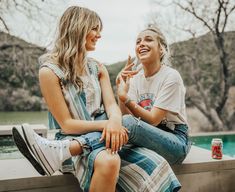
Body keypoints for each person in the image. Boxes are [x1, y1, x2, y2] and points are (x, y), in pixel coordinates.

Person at [12, 7, 181, 192]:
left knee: (153, 161)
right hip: (73, 136)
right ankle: (62, 150)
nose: (99, 35)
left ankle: (60, 151)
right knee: (110, 161)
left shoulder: (98, 68)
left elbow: (111, 107)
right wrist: (110, 125)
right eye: (94, 28)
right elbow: (67, 125)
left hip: (106, 136)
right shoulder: (49, 71)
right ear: (78, 29)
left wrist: (115, 121)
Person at [117, 25, 191, 165]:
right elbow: (125, 115)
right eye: (138, 41)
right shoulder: (135, 78)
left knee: (124, 124)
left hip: (175, 140)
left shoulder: (171, 76)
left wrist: (125, 98)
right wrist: (121, 90)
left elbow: (153, 120)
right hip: (146, 135)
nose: (141, 44)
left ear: (161, 49)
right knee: (108, 118)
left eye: (148, 40)